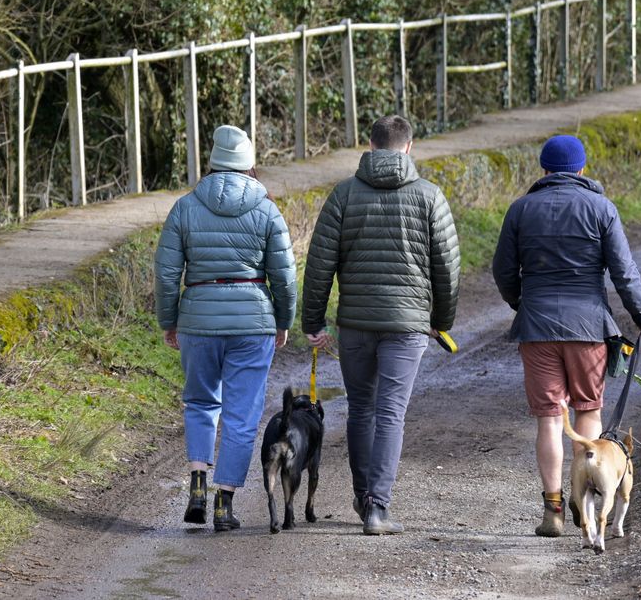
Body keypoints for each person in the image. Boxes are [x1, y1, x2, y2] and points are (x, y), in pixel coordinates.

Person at [301, 115, 460, 535]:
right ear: (409, 148)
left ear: (369, 147)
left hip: (354, 323)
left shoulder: (343, 196)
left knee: (361, 410)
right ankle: (378, 509)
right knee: (390, 413)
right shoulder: (430, 197)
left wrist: (313, 320)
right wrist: (441, 321)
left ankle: (361, 496)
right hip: (408, 326)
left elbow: (319, 265)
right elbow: (447, 267)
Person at [491, 134, 641, 538]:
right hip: (588, 329)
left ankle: (553, 509)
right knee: (587, 412)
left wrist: (522, 303)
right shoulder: (601, 208)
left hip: (537, 326)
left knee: (549, 419)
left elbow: (502, 271)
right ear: (582, 170)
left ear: (544, 171)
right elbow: (623, 270)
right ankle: (589, 501)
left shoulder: (520, 210)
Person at [154, 125, 297, 532]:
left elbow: (166, 273)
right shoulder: (267, 209)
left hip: (198, 318)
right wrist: (283, 320)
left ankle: (197, 482)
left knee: (200, 402)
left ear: (213, 162)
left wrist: (170, 320)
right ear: (250, 164)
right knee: (241, 416)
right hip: (253, 322)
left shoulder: (185, 207)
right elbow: (284, 276)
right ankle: (223, 503)